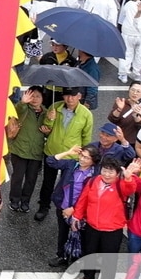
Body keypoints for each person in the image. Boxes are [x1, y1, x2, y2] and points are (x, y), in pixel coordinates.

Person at [71, 158, 136, 279]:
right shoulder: (93, 181)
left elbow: (130, 188)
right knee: (89, 252)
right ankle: (88, 276)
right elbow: (83, 199)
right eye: (104, 170)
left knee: (109, 259)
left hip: (112, 229)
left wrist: (129, 178)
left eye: (111, 172)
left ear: (118, 173)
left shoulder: (121, 185)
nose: (106, 174)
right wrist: (76, 216)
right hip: (92, 225)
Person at [37, 87, 93, 222]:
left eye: (73, 95)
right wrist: (49, 119)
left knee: (67, 183)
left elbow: (86, 137)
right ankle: (43, 206)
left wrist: (84, 156)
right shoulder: (55, 107)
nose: (70, 99)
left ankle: (64, 207)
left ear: (79, 96)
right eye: (67, 95)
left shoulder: (86, 114)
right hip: (52, 152)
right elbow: (46, 129)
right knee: (47, 182)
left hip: (71, 157)